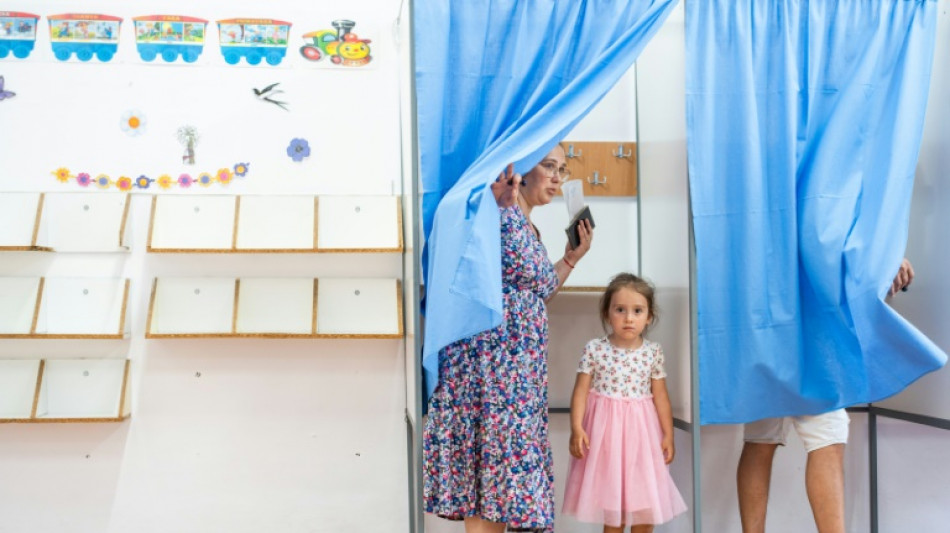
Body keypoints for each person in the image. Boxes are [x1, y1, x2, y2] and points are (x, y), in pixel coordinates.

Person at [423, 144, 594, 533]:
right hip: (495, 371)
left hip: (516, 374)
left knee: (497, 484)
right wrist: (499, 205)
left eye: (562, 169)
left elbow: (538, 289)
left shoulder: (526, 224)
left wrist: (570, 258)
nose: (556, 177)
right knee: (493, 481)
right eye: (548, 166)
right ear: (524, 169)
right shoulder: (501, 211)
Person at [736, 258, 916, 533]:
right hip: (809, 317)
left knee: (761, 437)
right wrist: (885, 253)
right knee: (827, 436)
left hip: (763, 312)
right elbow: (835, 242)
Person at [562, 273, 687, 533]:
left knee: (644, 505)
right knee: (613, 508)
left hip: (642, 439)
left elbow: (661, 396)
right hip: (606, 440)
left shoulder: (652, 352)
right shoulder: (595, 349)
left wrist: (668, 435)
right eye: (620, 310)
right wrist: (577, 428)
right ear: (608, 314)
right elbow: (581, 391)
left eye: (637, 311)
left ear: (649, 316)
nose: (629, 318)